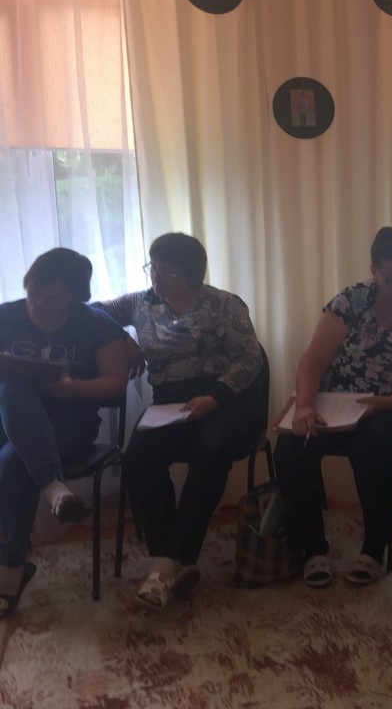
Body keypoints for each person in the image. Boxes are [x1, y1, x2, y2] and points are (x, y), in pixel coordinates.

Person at [96, 233, 265, 611]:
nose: (154, 276)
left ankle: (162, 570)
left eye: (165, 271)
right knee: (138, 459)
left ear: (189, 274)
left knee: (211, 452)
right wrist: (122, 338)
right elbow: (91, 314)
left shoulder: (224, 305)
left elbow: (250, 359)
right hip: (170, 403)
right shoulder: (141, 302)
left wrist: (215, 397)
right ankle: (175, 560)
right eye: (152, 267)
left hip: (227, 400)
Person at [273, 227, 392, 587]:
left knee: (372, 450)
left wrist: (389, 402)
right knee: (291, 446)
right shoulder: (351, 301)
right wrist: (304, 407)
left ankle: (373, 549)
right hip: (337, 402)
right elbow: (312, 361)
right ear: (374, 273)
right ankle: (313, 548)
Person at [0, 249, 128, 617]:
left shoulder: (96, 324)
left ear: (75, 296)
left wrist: (73, 388)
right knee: (14, 388)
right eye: (34, 291)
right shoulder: (6, 316)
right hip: (10, 420)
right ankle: (53, 487)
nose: (39, 302)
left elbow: (116, 382)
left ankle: (9, 568)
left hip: (71, 423)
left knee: (13, 461)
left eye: (52, 297)